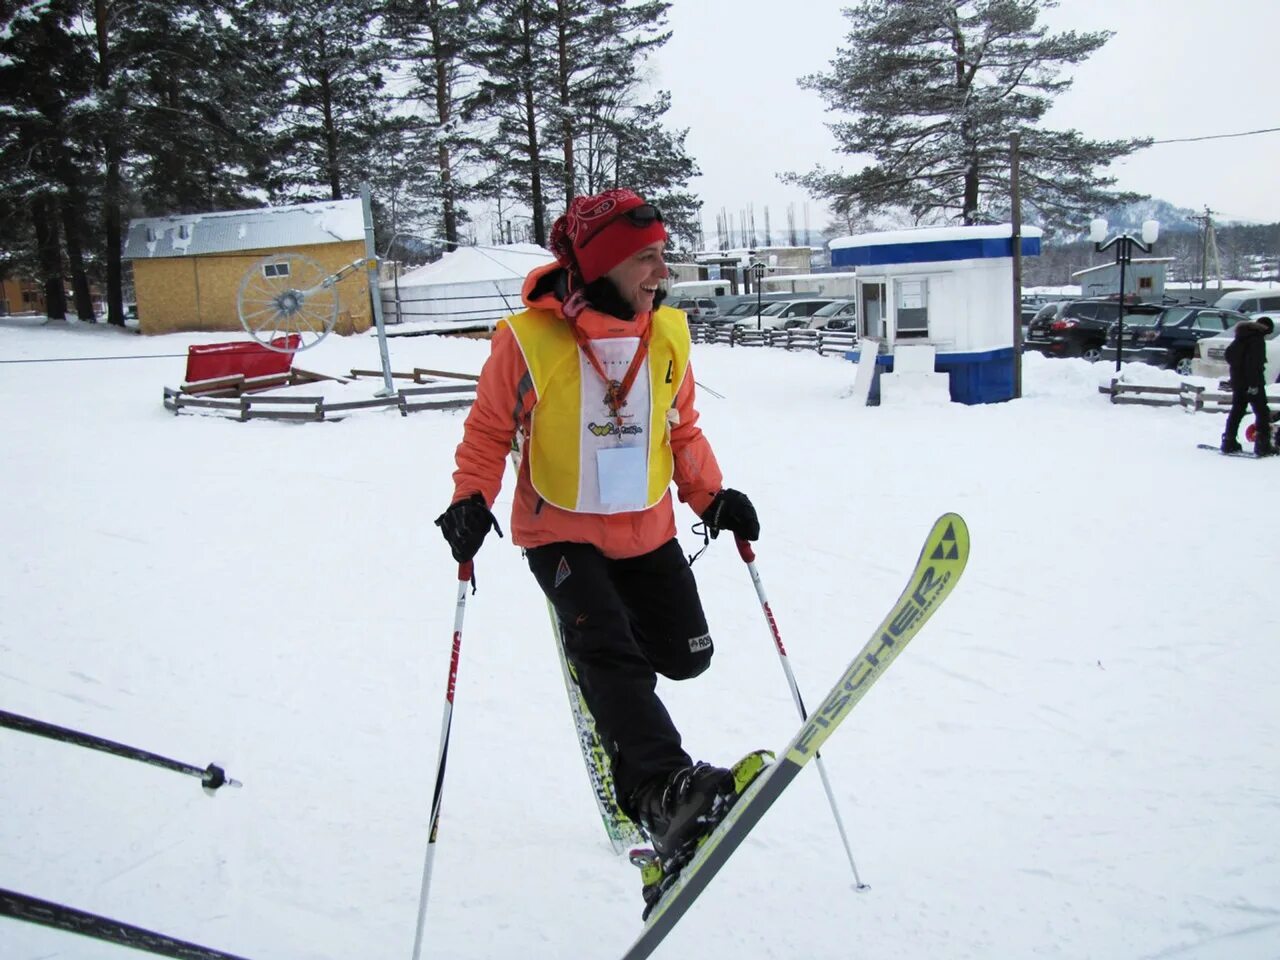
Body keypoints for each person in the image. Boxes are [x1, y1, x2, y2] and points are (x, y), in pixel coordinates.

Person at [435, 189, 761, 865]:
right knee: (612, 655)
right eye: (645, 258)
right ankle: (659, 792)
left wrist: (711, 498)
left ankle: (608, 679)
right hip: (559, 534)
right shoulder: (524, 341)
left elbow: (682, 426)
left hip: (646, 528)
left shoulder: (667, 334)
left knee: (687, 655)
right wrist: (471, 497)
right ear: (604, 264)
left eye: (662, 255)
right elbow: (489, 430)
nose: (660, 272)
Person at [1221, 315, 1275, 456]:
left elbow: (1229, 356)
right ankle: (1263, 445)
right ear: (1266, 329)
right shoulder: (1256, 340)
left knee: (1237, 410)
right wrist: (1253, 384)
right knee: (1262, 412)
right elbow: (1253, 364)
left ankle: (1229, 440)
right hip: (1253, 383)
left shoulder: (1241, 338)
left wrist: (1237, 376)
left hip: (1238, 383)